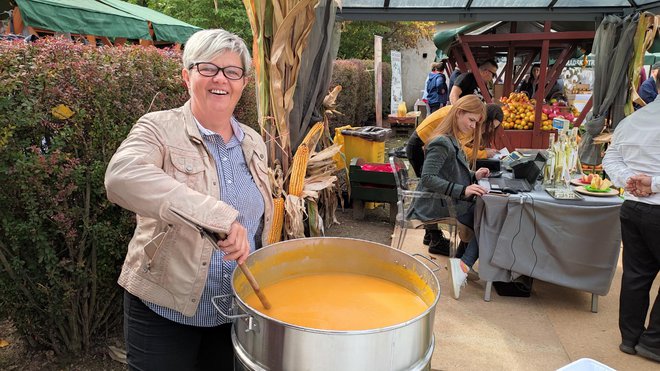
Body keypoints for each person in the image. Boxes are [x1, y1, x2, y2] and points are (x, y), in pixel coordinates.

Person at [104, 29, 273, 370]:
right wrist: (217, 214)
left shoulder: (253, 142)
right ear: (187, 75)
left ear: (242, 82)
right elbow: (121, 177)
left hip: (234, 309)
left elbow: (256, 227)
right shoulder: (158, 129)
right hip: (163, 308)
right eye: (207, 68)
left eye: (232, 71)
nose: (220, 79)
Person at [407, 95, 490, 299]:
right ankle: (462, 265)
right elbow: (427, 178)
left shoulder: (452, 139)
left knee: (487, 217)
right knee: (489, 221)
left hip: (445, 202)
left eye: (475, 122)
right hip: (435, 205)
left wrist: (474, 176)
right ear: (459, 112)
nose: (472, 126)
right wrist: (463, 191)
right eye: (470, 120)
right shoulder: (442, 142)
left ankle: (461, 262)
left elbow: (452, 172)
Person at [602, 76, 660, 364]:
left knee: (636, 275)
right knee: (637, 274)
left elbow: (609, 159)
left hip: (634, 207)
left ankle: (630, 337)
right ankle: (653, 341)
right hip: (650, 203)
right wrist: (649, 183)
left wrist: (630, 181)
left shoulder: (634, 120)